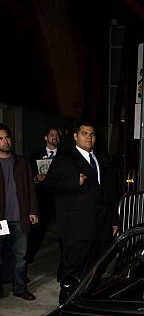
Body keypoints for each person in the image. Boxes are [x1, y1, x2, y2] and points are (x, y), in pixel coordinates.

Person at [44, 122, 119, 303]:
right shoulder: (65, 158)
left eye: (92, 134)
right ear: (76, 136)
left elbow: (110, 194)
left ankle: (85, 300)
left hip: (100, 227)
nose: (89, 137)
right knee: (73, 270)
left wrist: (114, 220)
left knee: (94, 270)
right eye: (84, 133)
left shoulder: (101, 159)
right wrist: (73, 183)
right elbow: (48, 185)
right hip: (76, 227)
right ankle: (67, 304)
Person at [0, 123, 38, 300]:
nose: (5, 141)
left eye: (7, 137)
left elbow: (30, 188)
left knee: (20, 256)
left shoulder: (21, 162)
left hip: (19, 217)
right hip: (0, 219)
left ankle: (19, 288)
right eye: (0, 138)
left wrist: (32, 210)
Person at [26, 127, 61, 263]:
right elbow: (29, 177)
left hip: (60, 199)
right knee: (37, 232)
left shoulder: (64, 156)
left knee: (64, 232)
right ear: (46, 138)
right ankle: (27, 260)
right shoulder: (35, 155)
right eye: (52, 134)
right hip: (42, 200)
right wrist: (36, 178)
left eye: (57, 135)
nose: (55, 137)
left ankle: (66, 263)